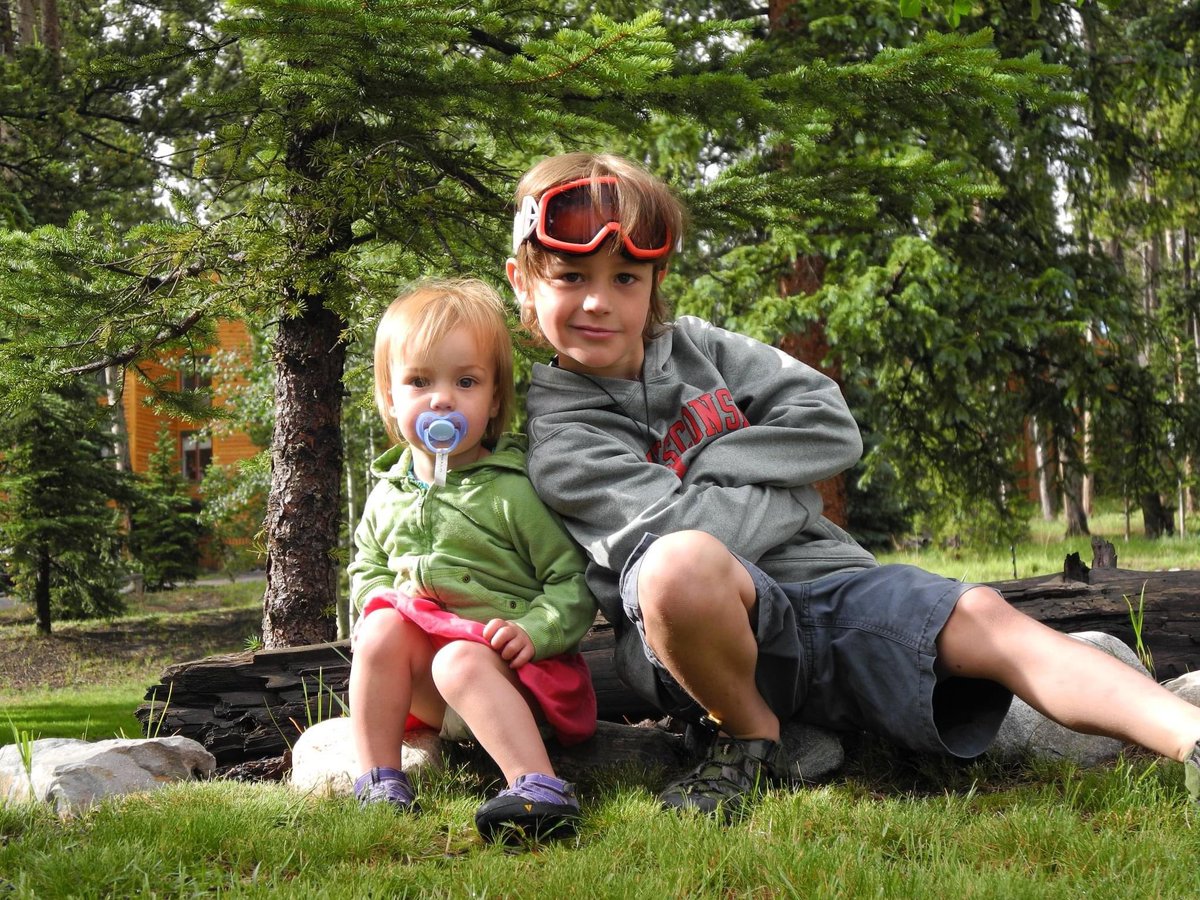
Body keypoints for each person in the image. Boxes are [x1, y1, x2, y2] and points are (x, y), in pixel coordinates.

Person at [506, 151, 1200, 819]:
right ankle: (752, 738)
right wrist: (791, 491)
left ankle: (1185, 736)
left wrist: (717, 472)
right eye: (570, 276)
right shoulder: (564, 439)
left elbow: (831, 426)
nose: (599, 301)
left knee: (983, 613)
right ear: (523, 283)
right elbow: (694, 542)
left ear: (655, 282)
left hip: (833, 589)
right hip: (716, 645)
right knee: (677, 564)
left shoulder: (703, 349)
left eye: (626, 277)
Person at [347, 277, 598, 843]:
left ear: (493, 401)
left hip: (507, 679)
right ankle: (379, 779)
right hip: (429, 688)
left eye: (465, 382)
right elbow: (366, 568)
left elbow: (571, 581)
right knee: (381, 628)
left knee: (459, 660)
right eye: (419, 381)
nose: (442, 399)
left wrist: (533, 631)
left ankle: (539, 787)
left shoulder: (512, 492)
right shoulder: (389, 492)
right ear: (390, 397)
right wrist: (383, 601)